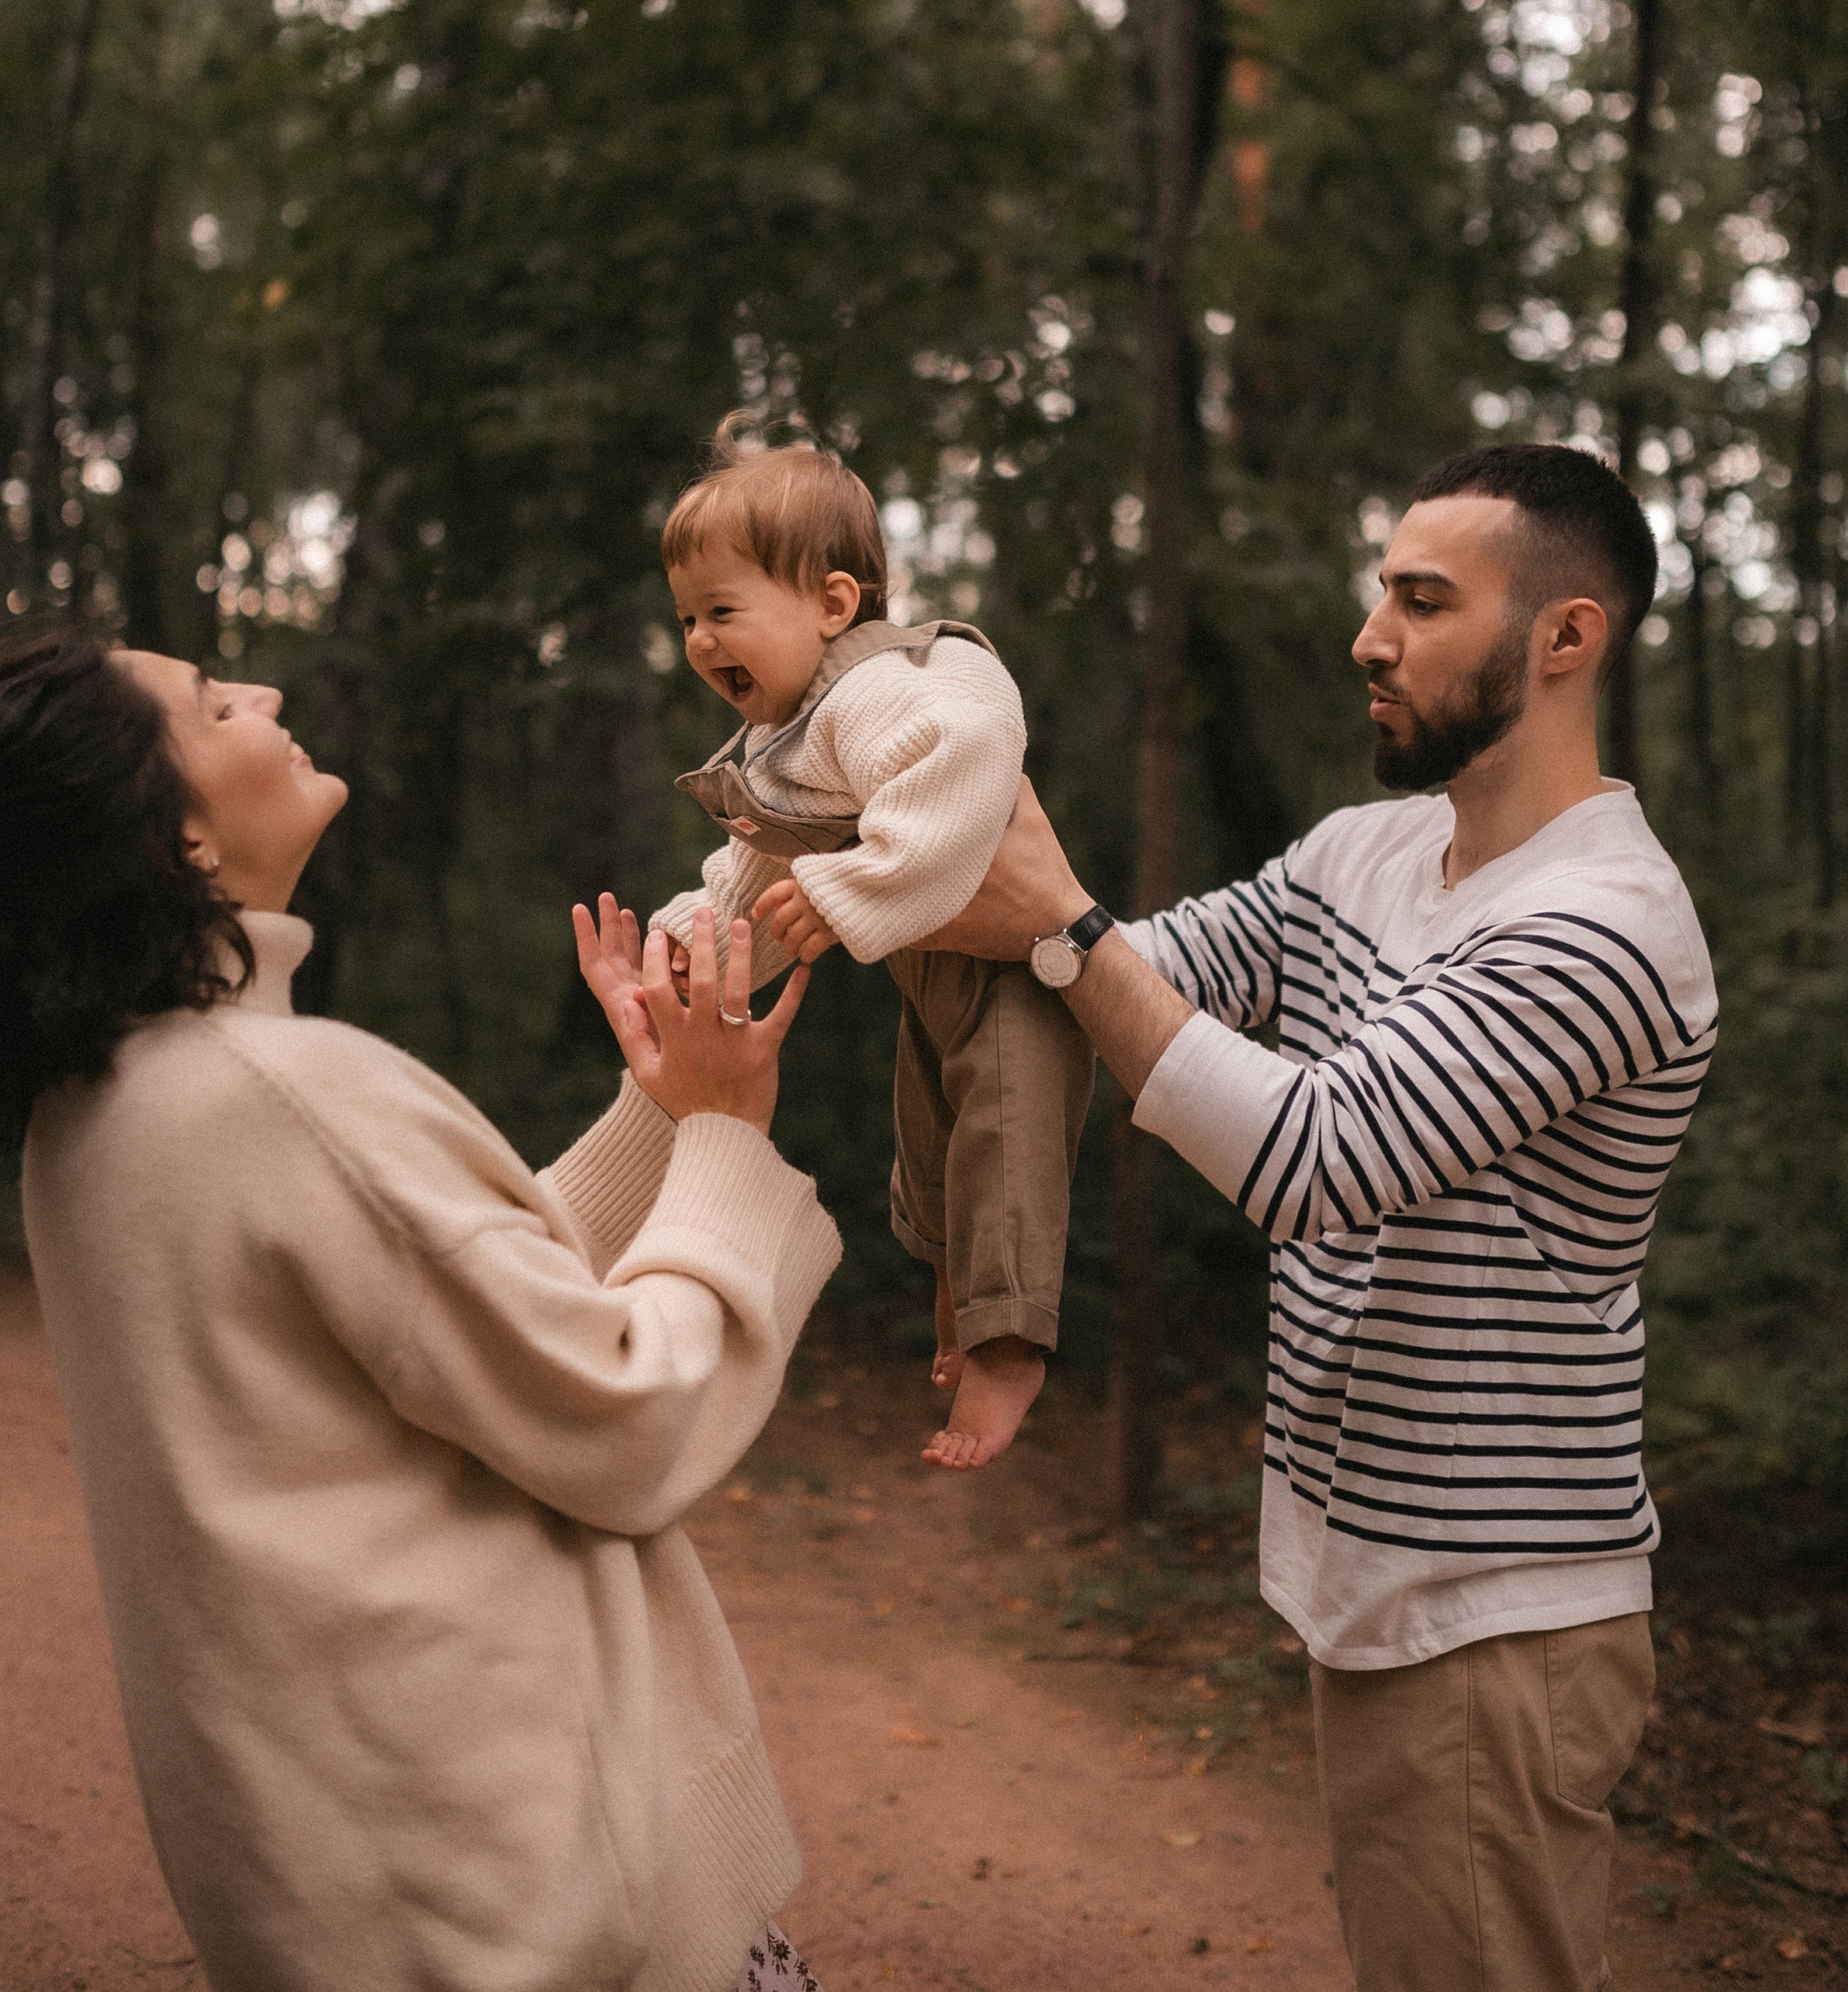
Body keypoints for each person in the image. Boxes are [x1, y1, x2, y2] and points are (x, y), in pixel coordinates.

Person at [772, 441, 1720, 1992]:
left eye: (1423, 601)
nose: (1370, 636)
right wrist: (909, 820)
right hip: (1381, 1575)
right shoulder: (1365, 850)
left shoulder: (1602, 923)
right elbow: (1133, 975)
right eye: (1380, 593)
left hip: (1489, 1613)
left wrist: (1059, 923)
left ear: (1566, 638)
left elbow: (1315, 1153)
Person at [6, 623, 838, 1992]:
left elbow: (451, 1301)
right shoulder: (284, 1094)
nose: (263, 690)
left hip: (371, 1911)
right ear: (173, 842)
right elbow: (630, 1411)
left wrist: (660, 1111)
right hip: (549, 1916)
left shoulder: (103, 1113)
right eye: (213, 704)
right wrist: (723, 1135)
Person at [649, 415, 1095, 1468]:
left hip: (1016, 972)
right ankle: (956, 1297)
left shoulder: (879, 690)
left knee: (1005, 1137)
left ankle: (1011, 1346)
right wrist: (698, 946)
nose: (701, 640)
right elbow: (754, 872)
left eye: (723, 611)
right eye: (687, 618)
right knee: (930, 1144)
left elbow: (969, 746)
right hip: (935, 964)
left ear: (833, 604)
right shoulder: (787, 737)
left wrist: (855, 884)